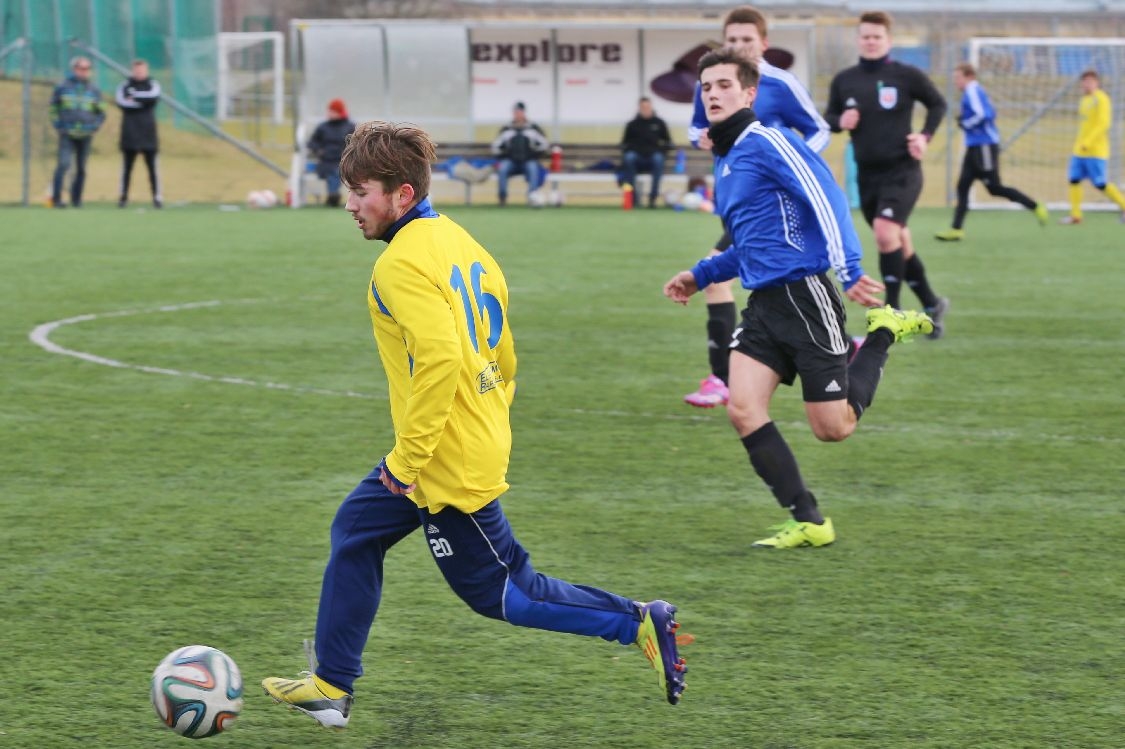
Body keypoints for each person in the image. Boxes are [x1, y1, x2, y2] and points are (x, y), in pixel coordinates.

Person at [262, 121, 687, 728]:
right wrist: (483, 415)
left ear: (402, 195)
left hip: (441, 460)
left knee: (503, 592)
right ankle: (332, 685)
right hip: (456, 441)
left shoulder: (400, 265)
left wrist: (408, 464)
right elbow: (505, 355)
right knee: (356, 530)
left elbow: (440, 358)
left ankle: (637, 621)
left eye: (361, 192)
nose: (350, 205)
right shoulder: (466, 244)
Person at [663, 48, 933, 549]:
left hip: (806, 298)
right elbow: (751, 243)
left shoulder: (769, 140)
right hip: (763, 305)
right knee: (742, 409)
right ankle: (809, 520)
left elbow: (827, 196)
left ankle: (882, 333)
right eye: (706, 88)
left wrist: (849, 269)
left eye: (724, 85)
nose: (713, 94)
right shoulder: (726, 161)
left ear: (748, 93)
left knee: (833, 429)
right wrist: (700, 275)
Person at [683, 5, 831, 408]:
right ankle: (729, 375)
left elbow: (819, 130)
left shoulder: (781, 84)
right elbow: (698, 124)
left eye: (747, 40)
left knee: (723, 276)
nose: (739, 46)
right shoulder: (715, 83)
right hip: (740, 201)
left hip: (774, 202)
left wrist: (797, 165)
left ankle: (722, 377)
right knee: (722, 277)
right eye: (732, 40)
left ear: (763, 43)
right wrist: (701, 137)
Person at [825, 10, 950, 337]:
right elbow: (829, 117)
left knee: (884, 232)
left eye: (877, 36)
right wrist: (840, 121)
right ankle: (932, 303)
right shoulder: (845, 80)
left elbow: (938, 104)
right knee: (897, 241)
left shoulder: (907, 75)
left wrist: (924, 136)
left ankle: (889, 317)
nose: (870, 41)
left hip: (902, 171)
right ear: (858, 39)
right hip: (866, 176)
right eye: (865, 36)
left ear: (888, 40)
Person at [935, 63, 1048, 241]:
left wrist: (966, 123)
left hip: (984, 146)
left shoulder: (972, 90)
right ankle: (956, 229)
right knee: (962, 186)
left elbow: (984, 115)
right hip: (974, 146)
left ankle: (1035, 206)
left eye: (958, 77)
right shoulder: (972, 92)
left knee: (994, 188)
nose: (955, 81)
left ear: (969, 76)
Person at [1059, 69, 1125, 225]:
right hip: (1079, 151)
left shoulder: (1102, 99)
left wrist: (1087, 142)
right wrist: (1080, 144)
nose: (1087, 84)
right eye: (1085, 81)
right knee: (1074, 180)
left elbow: (1103, 124)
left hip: (1096, 151)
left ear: (1097, 82)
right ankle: (1075, 215)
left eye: (1090, 81)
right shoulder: (1084, 100)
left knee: (1100, 184)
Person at [49, 56, 105, 208]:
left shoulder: (94, 89)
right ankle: (57, 199)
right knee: (63, 164)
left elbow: (101, 111)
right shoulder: (62, 87)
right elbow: (53, 108)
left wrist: (95, 126)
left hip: (86, 135)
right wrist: (58, 125)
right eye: (82, 68)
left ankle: (76, 199)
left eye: (87, 69)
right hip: (67, 133)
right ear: (74, 69)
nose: (85, 72)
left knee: (81, 168)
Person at [115, 59, 163, 209]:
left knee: (152, 168)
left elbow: (153, 98)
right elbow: (123, 103)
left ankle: (157, 197)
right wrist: (141, 101)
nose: (139, 73)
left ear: (146, 71)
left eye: (142, 70)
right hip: (129, 132)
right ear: (133, 71)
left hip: (148, 133)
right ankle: (123, 197)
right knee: (127, 168)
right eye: (137, 70)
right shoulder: (124, 85)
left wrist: (134, 97)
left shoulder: (153, 85)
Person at [490, 101, 550, 206]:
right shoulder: (507, 129)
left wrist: (534, 154)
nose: (517, 114)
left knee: (533, 168)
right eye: (515, 112)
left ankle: (532, 197)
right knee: (503, 168)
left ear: (524, 113)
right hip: (511, 161)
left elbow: (544, 144)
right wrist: (504, 154)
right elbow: (495, 147)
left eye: (520, 112)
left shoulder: (533, 128)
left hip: (527, 161)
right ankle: (502, 197)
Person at [620, 97, 674, 208]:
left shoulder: (659, 123)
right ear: (639, 108)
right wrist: (630, 148)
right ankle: (633, 198)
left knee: (658, 158)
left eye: (647, 107)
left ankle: (653, 198)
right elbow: (624, 143)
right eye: (643, 107)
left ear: (651, 107)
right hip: (636, 158)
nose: (645, 109)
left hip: (653, 157)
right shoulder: (632, 124)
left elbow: (668, 142)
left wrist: (662, 150)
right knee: (629, 157)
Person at [307, 98, 356, 207]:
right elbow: (312, 142)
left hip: (343, 160)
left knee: (337, 170)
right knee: (333, 171)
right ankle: (333, 195)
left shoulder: (350, 126)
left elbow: (355, 144)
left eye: (332, 111)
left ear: (339, 112)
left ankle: (332, 195)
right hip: (325, 161)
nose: (329, 113)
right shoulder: (323, 127)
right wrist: (319, 151)